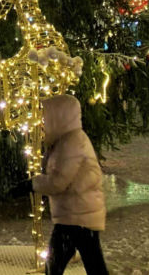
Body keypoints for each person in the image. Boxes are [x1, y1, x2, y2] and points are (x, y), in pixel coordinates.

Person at [33, 94, 109, 275]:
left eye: (45, 117)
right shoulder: (64, 141)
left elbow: (58, 182)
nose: (42, 122)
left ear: (59, 116)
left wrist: (31, 185)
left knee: (56, 264)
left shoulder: (72, 143)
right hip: (76, 214)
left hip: (78, 216)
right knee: (89, 263)